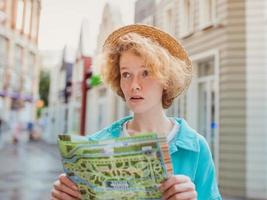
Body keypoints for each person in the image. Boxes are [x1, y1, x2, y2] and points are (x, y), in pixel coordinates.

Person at [51, 24, 222, 200]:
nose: (134, 85)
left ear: (167, 80)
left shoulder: (195, 148)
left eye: (146, 73)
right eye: (126, 74)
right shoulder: (95, 145)